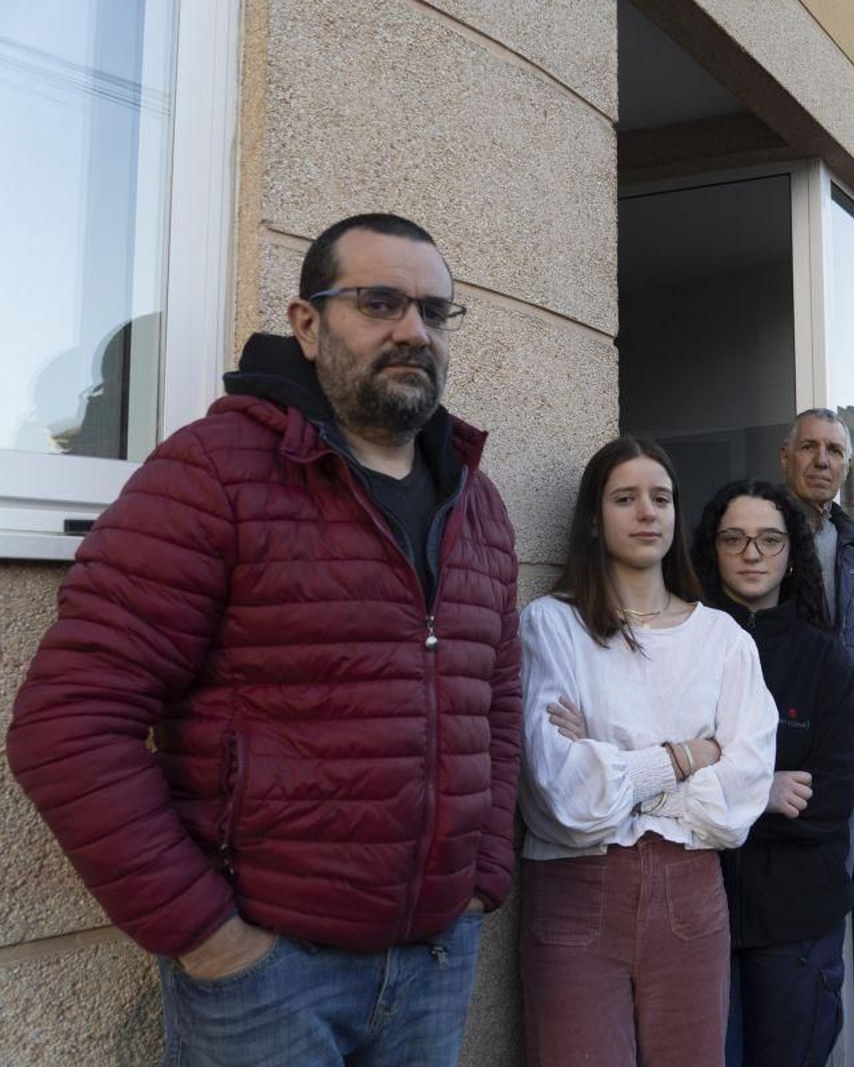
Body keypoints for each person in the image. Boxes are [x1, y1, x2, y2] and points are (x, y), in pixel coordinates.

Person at [7, 213, 521, 1064]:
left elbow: (495, 705)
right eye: (380, 302)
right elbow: (66, 723)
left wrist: (482, 878)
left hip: (436, 960)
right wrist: (208, 936)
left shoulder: (479, 502)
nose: (411, 331)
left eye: (434, 312)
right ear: (307, 323)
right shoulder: (213, 472)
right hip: (271, 979)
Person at [517, 437, 778, 1066]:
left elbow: (742, 793)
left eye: (660, 498)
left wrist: (613, 765)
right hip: (575, 889)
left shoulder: (722, 638)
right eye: (625, 498)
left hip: (691, 894)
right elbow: (562, 795)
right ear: (593, 516)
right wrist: (688, 755)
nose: (646, 513)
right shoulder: (551, 626)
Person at [690, 479, 854, 1067]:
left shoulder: (826, 661)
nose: (752, 553)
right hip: (696, 920)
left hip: (795, 927)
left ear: (792, 555)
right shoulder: (682, 650)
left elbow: (829, 804)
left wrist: (703, 791)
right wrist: (760, 793)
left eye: (768, 539)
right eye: (733, 538)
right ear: (711, 551)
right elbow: (647, 785)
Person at [778, 408, 854, 772]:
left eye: (835, 451)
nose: (822, 461)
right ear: (785, 457)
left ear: (845, 464)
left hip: (847, 752)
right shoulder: (759, 536)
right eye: (809, 446)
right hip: (781, 755)